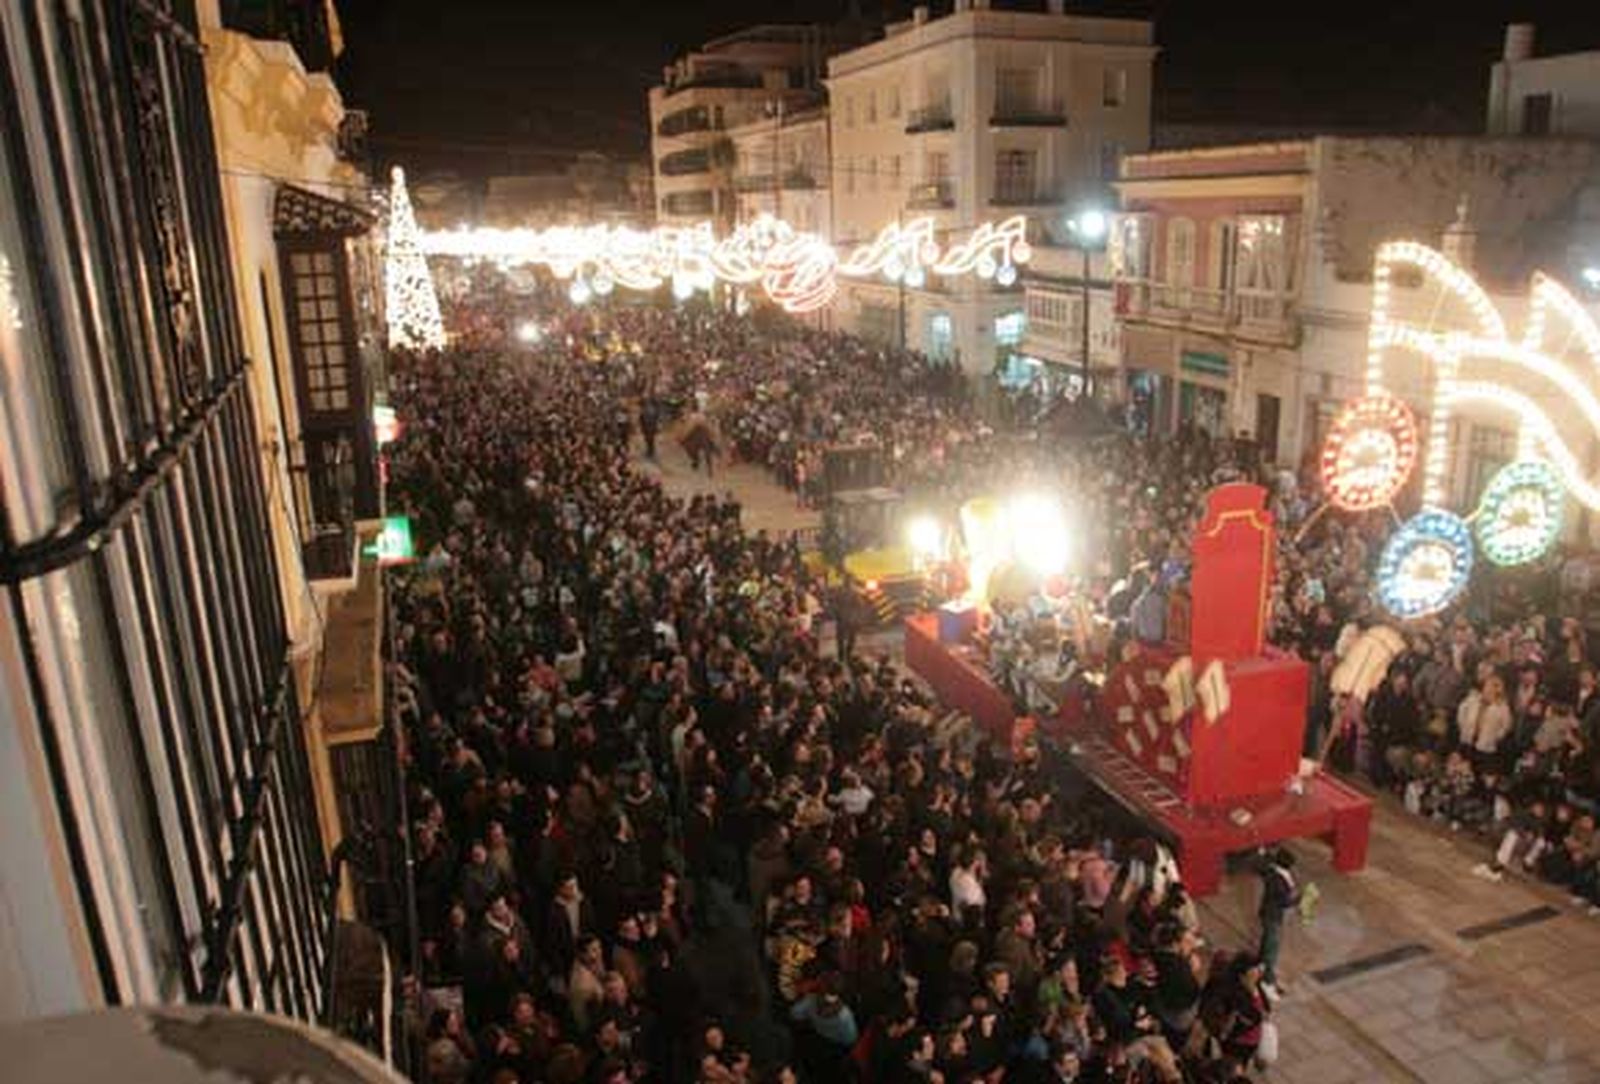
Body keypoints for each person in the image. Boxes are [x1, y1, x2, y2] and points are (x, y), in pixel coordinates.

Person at [1255, 848, 1299, 998]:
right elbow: (1284, 901)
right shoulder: (1277, 879)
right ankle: (1267, 982)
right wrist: (1299, 900)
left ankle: (1259, 971)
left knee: (1266, 944)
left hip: (1269, 914)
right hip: (1273, 916)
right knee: (1271, 950)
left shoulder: (1272, 871)